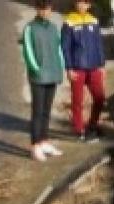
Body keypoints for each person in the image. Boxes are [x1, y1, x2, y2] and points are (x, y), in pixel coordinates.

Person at [21, 0, 66, 162]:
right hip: (39, 76)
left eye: (47, 9)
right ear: (37, 9)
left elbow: (58, 48)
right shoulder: (30, 28)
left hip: (53, 73)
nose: (45, 12)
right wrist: (36, 68)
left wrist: (61, 66)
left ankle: (44, 140)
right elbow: (27, 51)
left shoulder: (53, 28)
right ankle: (35, 145)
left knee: (47, 111)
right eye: (41, 8)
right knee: (37, 111)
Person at [62, 0, 107, 142]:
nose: (82, 5)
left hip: (94, 67)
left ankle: (92, 124)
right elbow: (65, 47)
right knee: (77, 100)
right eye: (79, 2)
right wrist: (69, 68)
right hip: (77, 67)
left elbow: (98, 44)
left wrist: (101, 65)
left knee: (100, 98)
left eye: (85, 3)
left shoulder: (93, 21)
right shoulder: (69, 22)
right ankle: (79, 129)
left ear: (89, 5)